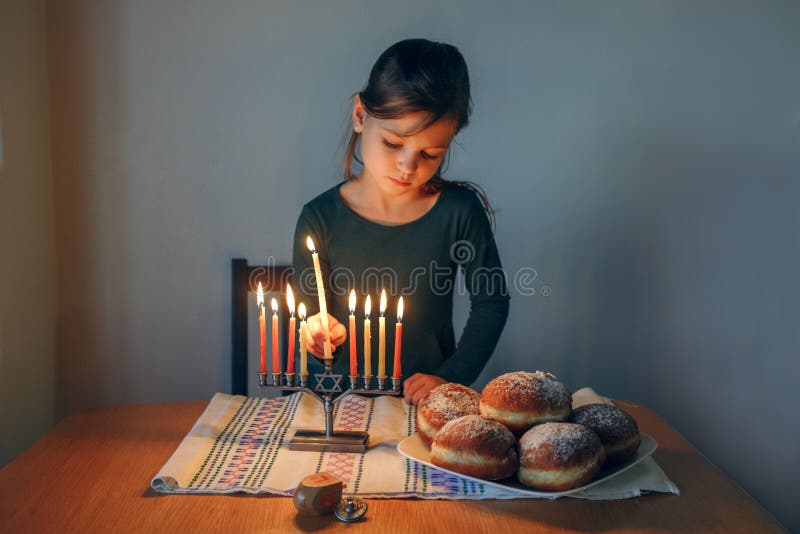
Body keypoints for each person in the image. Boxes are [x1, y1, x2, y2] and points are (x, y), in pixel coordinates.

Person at [292, 38, 509, 404]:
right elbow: (313, 317)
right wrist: (315, 334)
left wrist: (449, 377)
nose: (408, 166)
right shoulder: (320, 218)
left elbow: (491, 302)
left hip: (423, 405)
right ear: (360, 116)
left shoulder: (459, 211)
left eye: (430, 153)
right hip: (338, 403)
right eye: (393, 144)